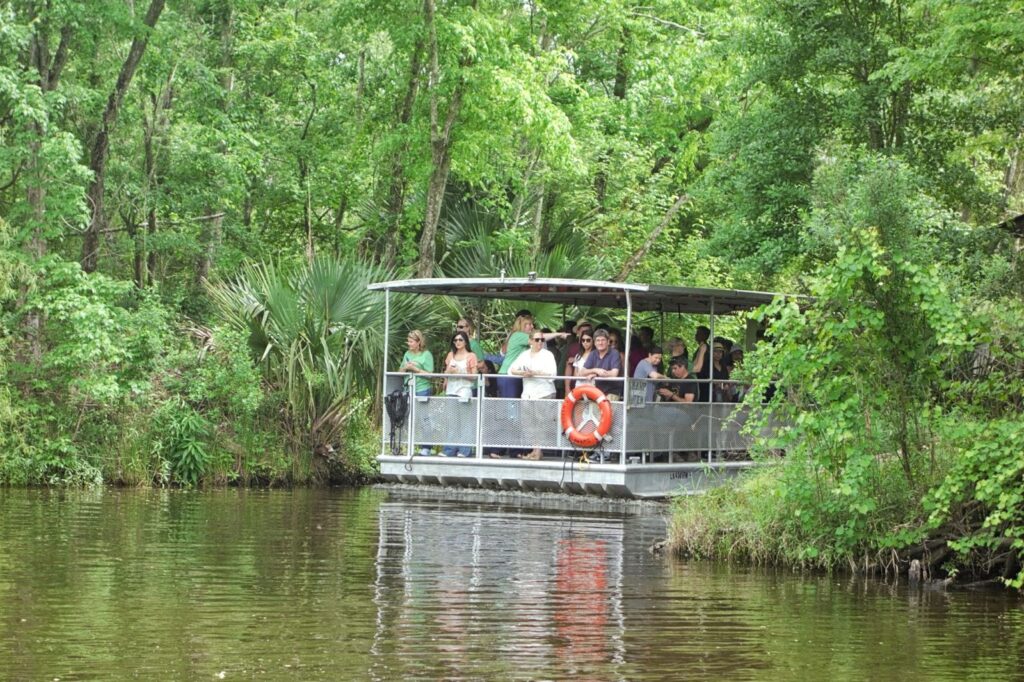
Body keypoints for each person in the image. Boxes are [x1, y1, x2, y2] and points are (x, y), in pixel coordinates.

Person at [510, 331, 558, 460]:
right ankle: (535, 449)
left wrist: (535, 373)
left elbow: (553, 374)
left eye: (542, 340)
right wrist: (523, 373)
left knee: (542, 423)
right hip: (528, 393)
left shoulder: (548, 355)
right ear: (530, 341)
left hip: (544, 392)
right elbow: (511, 370)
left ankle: (538, 451)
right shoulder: (524, 355)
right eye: (537, 340)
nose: (540, 342)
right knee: (528, 424)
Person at [441, 331, 478, 457]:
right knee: (452, 421)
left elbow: (474, 377)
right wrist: (448, 373)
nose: (457, 342)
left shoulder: (471, 356)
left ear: (466, 341)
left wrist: (459, 373)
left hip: (464, 391)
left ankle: (464, 450)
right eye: (455, 340)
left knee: (465, 421)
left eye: (460, 340)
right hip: (451, 391)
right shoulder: (450, 355)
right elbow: (445, 373)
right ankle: (449, 450)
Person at [400, 330, 434, 456]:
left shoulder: (426, 355)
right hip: (408, 388)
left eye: (411, 341)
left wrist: (416, 369)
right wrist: (405, 368)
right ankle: (409, 445)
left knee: (423, 417)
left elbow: (430, 375)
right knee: (408, 417)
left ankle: (426, 447)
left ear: (418, 342)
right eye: (408, 341)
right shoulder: (407, 353)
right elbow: (400, 370)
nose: (408, 343)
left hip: (422, 389)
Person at [579, 328, 622, 398]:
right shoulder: (593, 353)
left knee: (608, 402)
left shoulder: (614, 353)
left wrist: (596, 374)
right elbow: (581, 372)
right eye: (598, 340)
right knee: (583, 401)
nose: (600, 343)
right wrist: (595, 370)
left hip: (613, 391)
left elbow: (614, 373)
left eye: (603, 340)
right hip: (597, 391)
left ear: (608, 342)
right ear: (595, 343)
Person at [565, 329, 595, 393]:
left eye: (588, 340)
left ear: (593, 341)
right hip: (578, 388)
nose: (585, 342)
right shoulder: (578, 355)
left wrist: (582, 374)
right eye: (583, 340)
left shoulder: (596, 354)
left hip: (591, 388)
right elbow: (575, 374)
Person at [691, 325, 711, 403]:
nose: (696, 335)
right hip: (698, 378)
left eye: (698, 333)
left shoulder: (705, 348)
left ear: (705, 336)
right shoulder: (700, 347)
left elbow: (702, 364)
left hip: (703, 378)